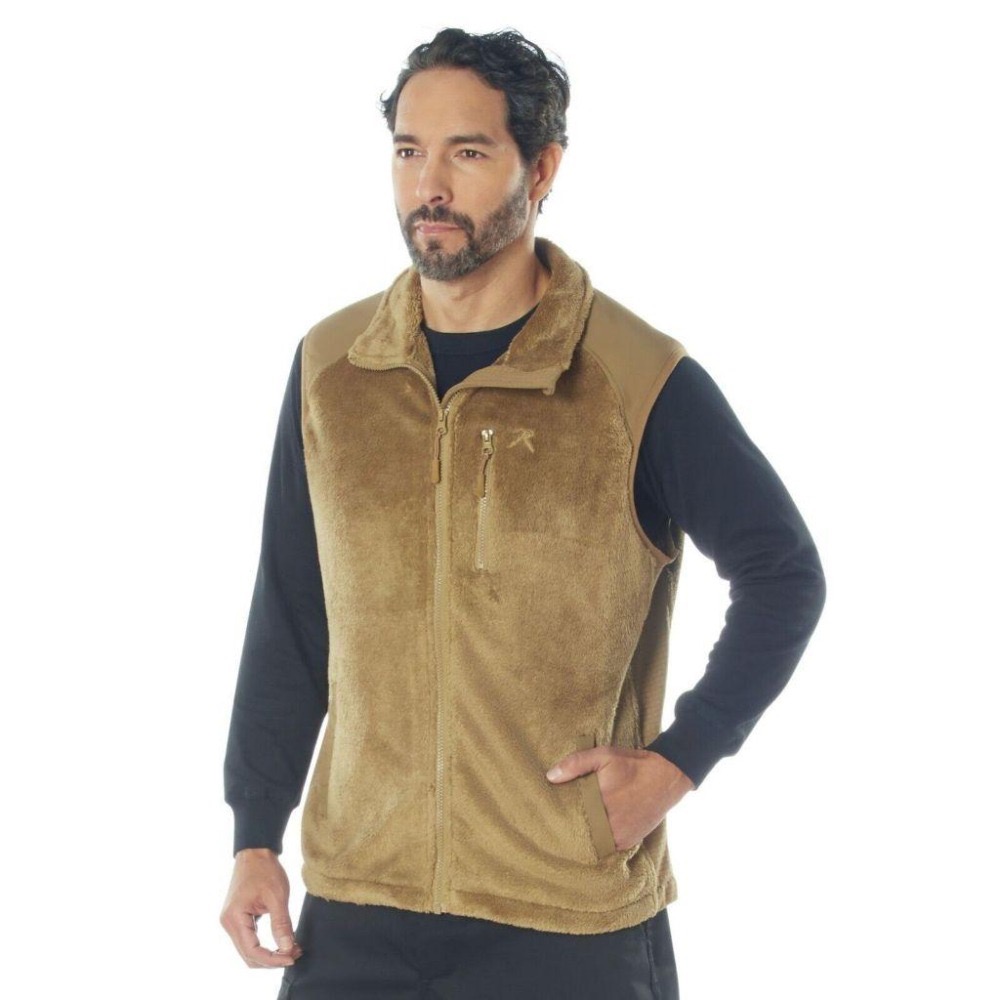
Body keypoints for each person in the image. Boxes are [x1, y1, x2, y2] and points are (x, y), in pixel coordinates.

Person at [219, 26, 826, 999]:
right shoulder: (334, 370)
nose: (429, 186)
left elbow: (783, 572)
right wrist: (255, 832)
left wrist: (677, 761)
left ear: (540, 169)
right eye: (408, 151)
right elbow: (291, 614)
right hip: (359, 907)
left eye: (466, 152)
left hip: (566, 917)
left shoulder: (634, 378)